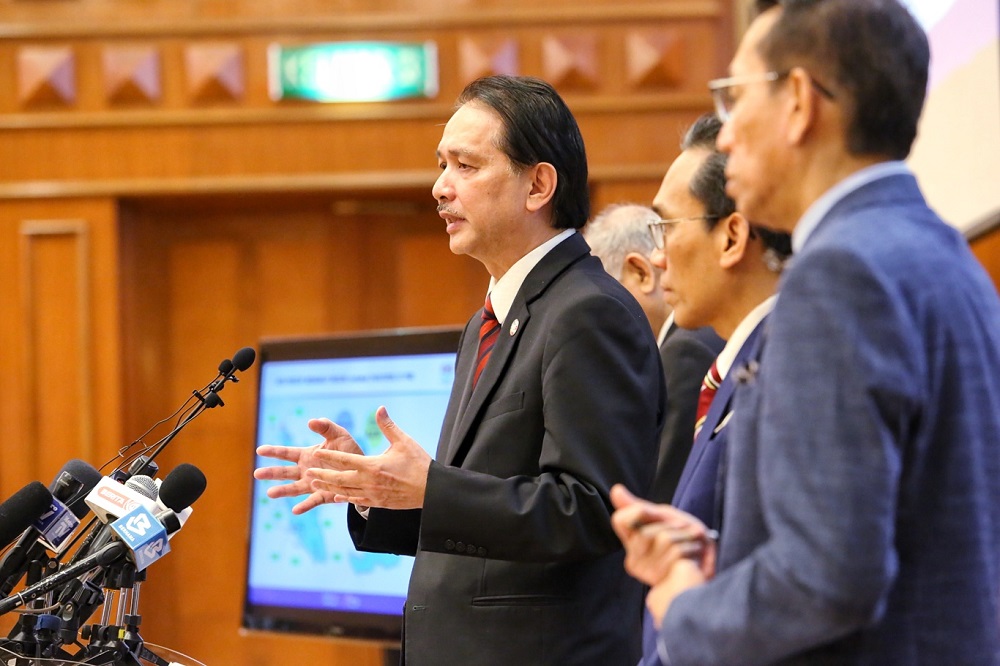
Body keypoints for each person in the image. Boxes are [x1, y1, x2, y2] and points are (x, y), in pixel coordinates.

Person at [611, 1, 1000, 664]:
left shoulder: (838, 272)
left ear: (798, 102)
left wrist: (687, 608)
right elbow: (909, 522)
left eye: (735, 98)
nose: (724, 137)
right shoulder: (944, 251)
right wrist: (727, 552)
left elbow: (830, 579)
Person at [255, 75, 665, 665]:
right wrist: (378, 492)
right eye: (441, 165)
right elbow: (480, 519)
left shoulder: (588, 312)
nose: (440, 187)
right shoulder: (487, 323)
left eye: (465, 166)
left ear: (538, 185)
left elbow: (592, 510)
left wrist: (432, 486)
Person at [637, 112, 791, 666]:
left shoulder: (789, 367)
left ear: (731, 236)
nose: (657, 256)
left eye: (666, 227)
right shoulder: (737, 365)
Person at [584, 203, 723, 502]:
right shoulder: (700, 335)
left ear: (640, 273)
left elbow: (663, 498)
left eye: (603, 297)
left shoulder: (684, 353)